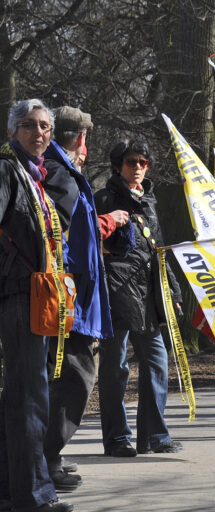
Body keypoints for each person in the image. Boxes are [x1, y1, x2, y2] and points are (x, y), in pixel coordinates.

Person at [41, 106, 129, 491]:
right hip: (65, 299)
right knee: (74, 378)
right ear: (79, 140)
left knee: (62, 379)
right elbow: (63, 234)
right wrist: (109, 223)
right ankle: (43, 460)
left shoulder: (54, 170)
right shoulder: (59, 173)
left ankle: (48, 458)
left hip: (67, 296)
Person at [0, 99, 74, 511]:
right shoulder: (7, 170)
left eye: (45, 126)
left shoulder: (37, 177)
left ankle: (10, 489)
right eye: (29, 126)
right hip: (18, 294)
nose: (40, 133)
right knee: (30, 396)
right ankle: (35, 495)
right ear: (13, 131)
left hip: (39, 297)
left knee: (21, 395)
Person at [94, 139, 183, 456]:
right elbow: (91, 244)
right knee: (115, 368)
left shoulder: (151, 201)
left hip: (149, 293)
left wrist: (172, 290)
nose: (138, 168)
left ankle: (154, 436)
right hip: (115, 290)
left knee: (157, 362)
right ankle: (117, 439)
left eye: (144, 162)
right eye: (132, 162)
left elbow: (159, 250)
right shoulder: (104, 198)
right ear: (118, 165)